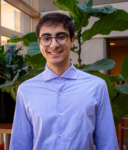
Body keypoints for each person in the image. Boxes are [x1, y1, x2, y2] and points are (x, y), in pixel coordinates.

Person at [10, 13, 119, 150]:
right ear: (39, 43)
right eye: (46, 38)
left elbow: (107, 143)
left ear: (72, 40)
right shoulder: (26, 90)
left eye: (61, 37)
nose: (54, 45)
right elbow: (20, 144)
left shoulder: (97, 86)